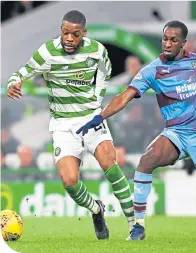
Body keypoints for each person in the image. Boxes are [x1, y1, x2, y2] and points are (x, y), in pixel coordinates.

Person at [76, 20, 196, 240]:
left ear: (183, 43)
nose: (167, 43)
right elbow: (124, 97)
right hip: (175, 133)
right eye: (165, 39)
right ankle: (138, 226)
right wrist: (100, 116)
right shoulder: (152, 70)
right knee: (147, 160)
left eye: (173, 40)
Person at [6, 10, 135, 240]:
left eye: (74, 35)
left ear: (83, 33)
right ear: (61, 30)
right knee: (69, 181)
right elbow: (21, 72)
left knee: (110, 163)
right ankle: (97, 209)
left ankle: (135, 225)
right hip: (63, 125)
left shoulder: (96, 50)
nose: (68, 39)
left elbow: (106, 70)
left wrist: (98, 98)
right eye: (65, 33)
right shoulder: (47, 53)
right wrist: (13, 83)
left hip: (91, 118)